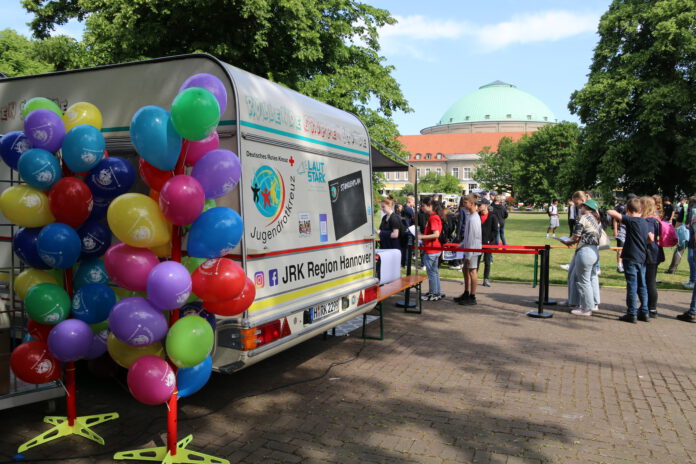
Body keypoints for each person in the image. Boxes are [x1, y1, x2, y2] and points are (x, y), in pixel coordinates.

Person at [607, 198, 653, 323]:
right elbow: (650, 238)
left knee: (632, 285)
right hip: (642, 257)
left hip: (631, 257)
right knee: (642, 285)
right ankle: (644, 311)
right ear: (641, 209)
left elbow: (613, 213)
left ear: (628, 210)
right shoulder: (645, 222)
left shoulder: (631, 220)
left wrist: (610, 210)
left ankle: (632, 313)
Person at [559, 199, 602, 316]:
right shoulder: (595, 220)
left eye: (582, 206)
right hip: (594, 251)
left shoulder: (584, 218)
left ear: (586, 207)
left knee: (583, 281)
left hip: (585, 251)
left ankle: (586, 309)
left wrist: (566, 241)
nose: (580, 208)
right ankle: (591, 305)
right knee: (588, 279)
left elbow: (575, 237)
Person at [455, 195, 481, 306]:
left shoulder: (474, 218)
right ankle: (466, 292)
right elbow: (467, 236)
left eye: (465, 202)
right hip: (469, 249)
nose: (463, 205)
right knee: (466, 270)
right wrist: (461, 246)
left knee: (472, 271)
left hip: (473, 250)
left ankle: (472, 296)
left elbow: (473, 238)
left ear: (471, 203)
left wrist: (469, 255)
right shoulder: (471, 216)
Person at [641, 196, 664, 318]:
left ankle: (651, 308)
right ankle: (651, 307)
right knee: (650, 280)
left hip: (650, 253)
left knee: (649, 281)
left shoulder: (649, 221)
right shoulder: (656, 219)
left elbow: (650, 237)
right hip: (656, 252)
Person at [417, 197, 443, 301]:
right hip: (434, 249)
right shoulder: (433, 217)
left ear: (429, 206)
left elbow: (436, 234)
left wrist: (422, 237)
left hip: (432, 249)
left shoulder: (433, 217)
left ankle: (434, 293)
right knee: (434, 272)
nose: (422, 208)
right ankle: (436, 292)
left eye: (423, 206)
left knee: (432, 273)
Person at [478, 198, 498, 287]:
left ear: (486, 206)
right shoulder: (476, 215)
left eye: (480, 205)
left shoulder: (493, 216)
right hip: (477, 242)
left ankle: (486, 279)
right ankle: (473, 277)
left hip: (488, 243)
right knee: (475, 261)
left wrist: (490, 240)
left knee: (487, 261)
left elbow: (495, 231)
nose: (478, 206)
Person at [666, 196, 688, 274]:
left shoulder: (685, 208)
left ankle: (672, 269)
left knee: (679, 250)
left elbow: (679, 221)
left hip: (685, 232)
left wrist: (674, 231)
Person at [684, 196, 696, 290]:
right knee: (691, 259)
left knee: (691, 259)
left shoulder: (694, 209)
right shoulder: (693, 209)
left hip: (694, 238)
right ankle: (692, 280)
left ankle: (693, 281)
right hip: (692, 237)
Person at [613, 198, 627, 273]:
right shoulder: (622, 209)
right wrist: (615, 230)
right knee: (620, 250)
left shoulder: (634, 210)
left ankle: (625, 265)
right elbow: (615, 219)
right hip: (621, 233)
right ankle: (619, 266)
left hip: (629, 233)